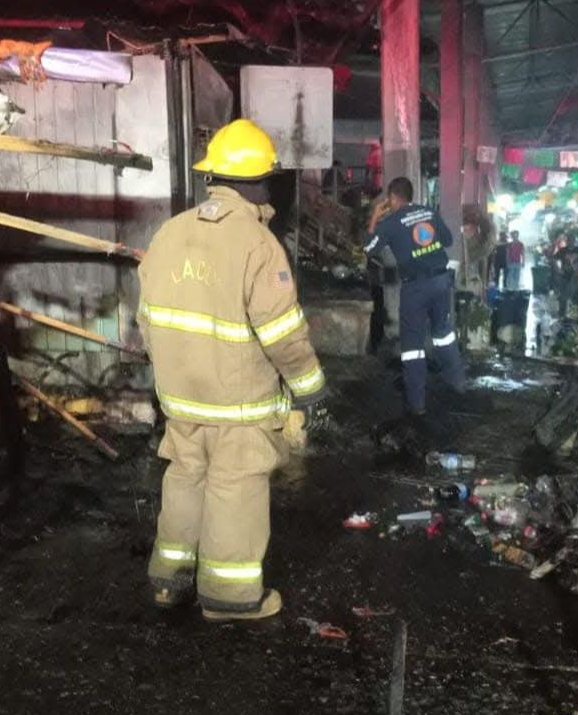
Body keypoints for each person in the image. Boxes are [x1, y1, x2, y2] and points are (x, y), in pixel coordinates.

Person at [140, 119, 327, 622]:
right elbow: (283, 333)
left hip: (180, 399)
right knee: (234, 484)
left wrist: (172, 375)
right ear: (261, 183)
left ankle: (169, 579)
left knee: (185, 477)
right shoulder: (257, 245)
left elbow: (147, 321)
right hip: (237, 402)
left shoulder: (169, 233)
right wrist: (310, 388)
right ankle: (229, 596)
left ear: (213, 177)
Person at [365, 177, 465, 418]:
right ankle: (458, 387)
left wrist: (375, 216)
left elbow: (369, 249)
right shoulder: (428, 212)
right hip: (442, 282)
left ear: (391, 198)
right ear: (411, 195)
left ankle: (417, 405)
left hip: (416, 288)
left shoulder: (390, 223)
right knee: (444, 335)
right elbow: (448, 240)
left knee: (412, 347)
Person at [553, 235, 578, 318]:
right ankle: (562, 314)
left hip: (575, 275)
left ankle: (574, 314)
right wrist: (558, 269)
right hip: (564, 275)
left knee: (574, 294)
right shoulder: (562, 250)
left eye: (572, 240)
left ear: (574, 241)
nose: (571, 242)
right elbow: (554, 259)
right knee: (563, 295)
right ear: (567, 241)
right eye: (569, 240)